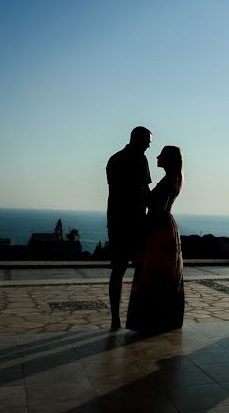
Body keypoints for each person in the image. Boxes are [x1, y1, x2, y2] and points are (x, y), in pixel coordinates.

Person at [126, 145, 185, 333]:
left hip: (158, 230)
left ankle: (151, 320)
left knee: (153, 273)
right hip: (165, 228)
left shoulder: (169, 180)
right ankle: (162, 319)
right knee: (164, 273)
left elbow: (155, 205)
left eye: (161, 155)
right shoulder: (174, 178)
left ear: (168, 159)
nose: (157, 157)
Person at [106, 126, 152, 330]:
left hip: (117, 221)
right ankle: (139, 315)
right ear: (138, 139)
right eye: (147, 141)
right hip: (134, 222)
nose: (150, 145)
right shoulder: (140, 160)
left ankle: (115, 318)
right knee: (140, 269)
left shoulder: (114, 159)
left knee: (118, 270)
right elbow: (145, 191)